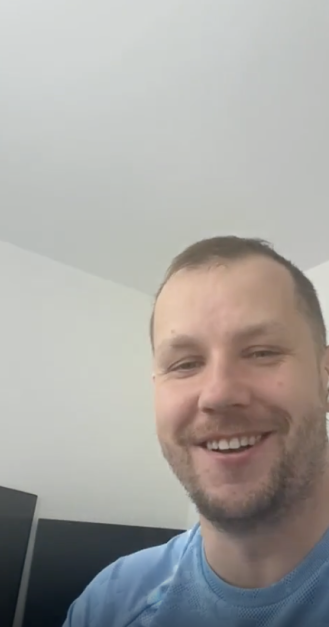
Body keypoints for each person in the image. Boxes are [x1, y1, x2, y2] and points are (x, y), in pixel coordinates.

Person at [65, 236, 329, 627]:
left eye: (262, 352)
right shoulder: (108, 606)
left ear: (325, 376)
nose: (219, 394)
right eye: (185, 364)